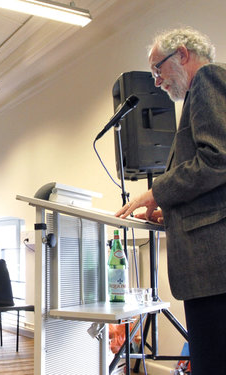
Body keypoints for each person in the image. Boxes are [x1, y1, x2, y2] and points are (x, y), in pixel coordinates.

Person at [115, 27, 225, 375]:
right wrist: (172, 211)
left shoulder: (208, 78)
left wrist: (156, 191)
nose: (157, 81)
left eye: (157, 69)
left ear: (181, 54)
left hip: (215, 268)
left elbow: (218, 158)